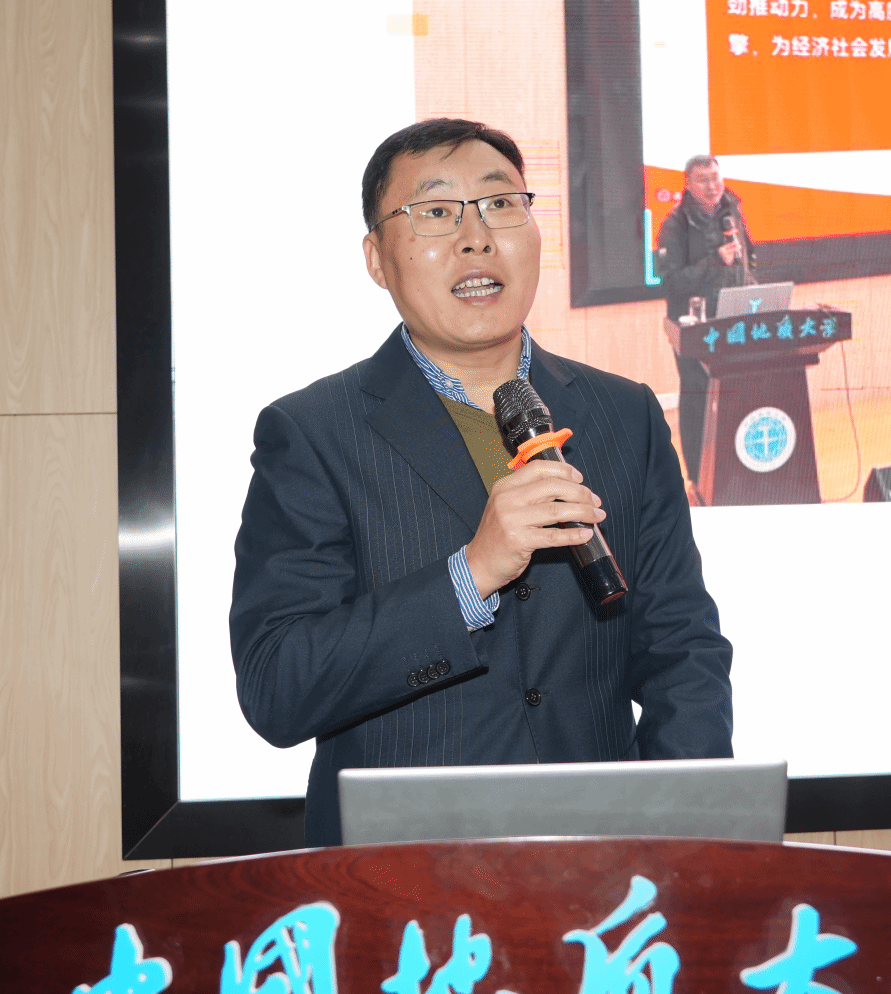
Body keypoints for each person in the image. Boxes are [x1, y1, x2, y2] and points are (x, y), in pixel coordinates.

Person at [230, 118, 734, 847]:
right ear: (376, 259)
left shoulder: (625, 414)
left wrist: (682, 839)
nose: (476, 238)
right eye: (436, 212)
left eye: (501, 204)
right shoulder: (313, 433)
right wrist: (470, 576)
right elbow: (279, 686)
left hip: (596, 868)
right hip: (401, 878)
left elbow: (681, 648)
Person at [655, 155, 757, 485]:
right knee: (697, 397)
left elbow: (747, 260)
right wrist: (715, 260)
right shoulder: (676, 224)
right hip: (694, 328)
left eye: (716, 178)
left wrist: (754, 294)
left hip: (734, 320)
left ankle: (737, 471)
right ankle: (698, 478)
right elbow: (671, 281)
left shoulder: (732, 212)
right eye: (703, 180)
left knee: (738, 394)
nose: (713, 186)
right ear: (688, 183)